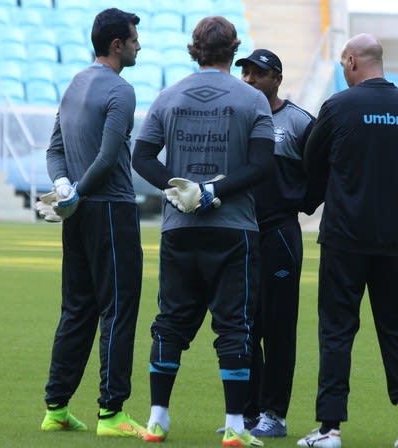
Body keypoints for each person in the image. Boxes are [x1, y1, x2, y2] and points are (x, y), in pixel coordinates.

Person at [131, 16, 275, 447]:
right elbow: (262, 165)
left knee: (170, 323)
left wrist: (178, 189)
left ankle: (157, 419)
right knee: (234, 327)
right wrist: (213, 191)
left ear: (195, 49)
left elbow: (141, 158)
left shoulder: (168, 96)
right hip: (234, 229)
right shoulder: (252, 100)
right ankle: (234, 427)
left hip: (180, 228)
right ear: (234, 50)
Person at [296, 33, 398, 448]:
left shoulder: (338, 106)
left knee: (336, 331)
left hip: (344, 239)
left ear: (353, 60)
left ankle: (330, 429)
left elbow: (311, 165)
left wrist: (301, 203)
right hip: (394, 240)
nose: (341, 69)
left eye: (341, 62)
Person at [39, 8, 147, 438]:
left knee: (77, 308)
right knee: (118, 308)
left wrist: (64, 188)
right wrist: (80, 189)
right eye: (135, 39)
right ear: (117, 45)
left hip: (78, 215)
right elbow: (106, 158)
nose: (140, 45)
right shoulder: (121, 90)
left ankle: (56, 406)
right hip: (111, 209)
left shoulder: (74, 85)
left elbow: (53, 151)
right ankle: (112, 412)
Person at [233, 48, 316, 438]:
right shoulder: (238, 117)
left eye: (257, 73)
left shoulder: (298, 121)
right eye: (245, 72)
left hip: (280, 233)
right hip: (240, 232)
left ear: (276, 79)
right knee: (244, 324)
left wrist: (298, 203)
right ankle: (248, 414)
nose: (248, 79)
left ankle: (275, 414)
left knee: (278, 327)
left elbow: (322, 173)